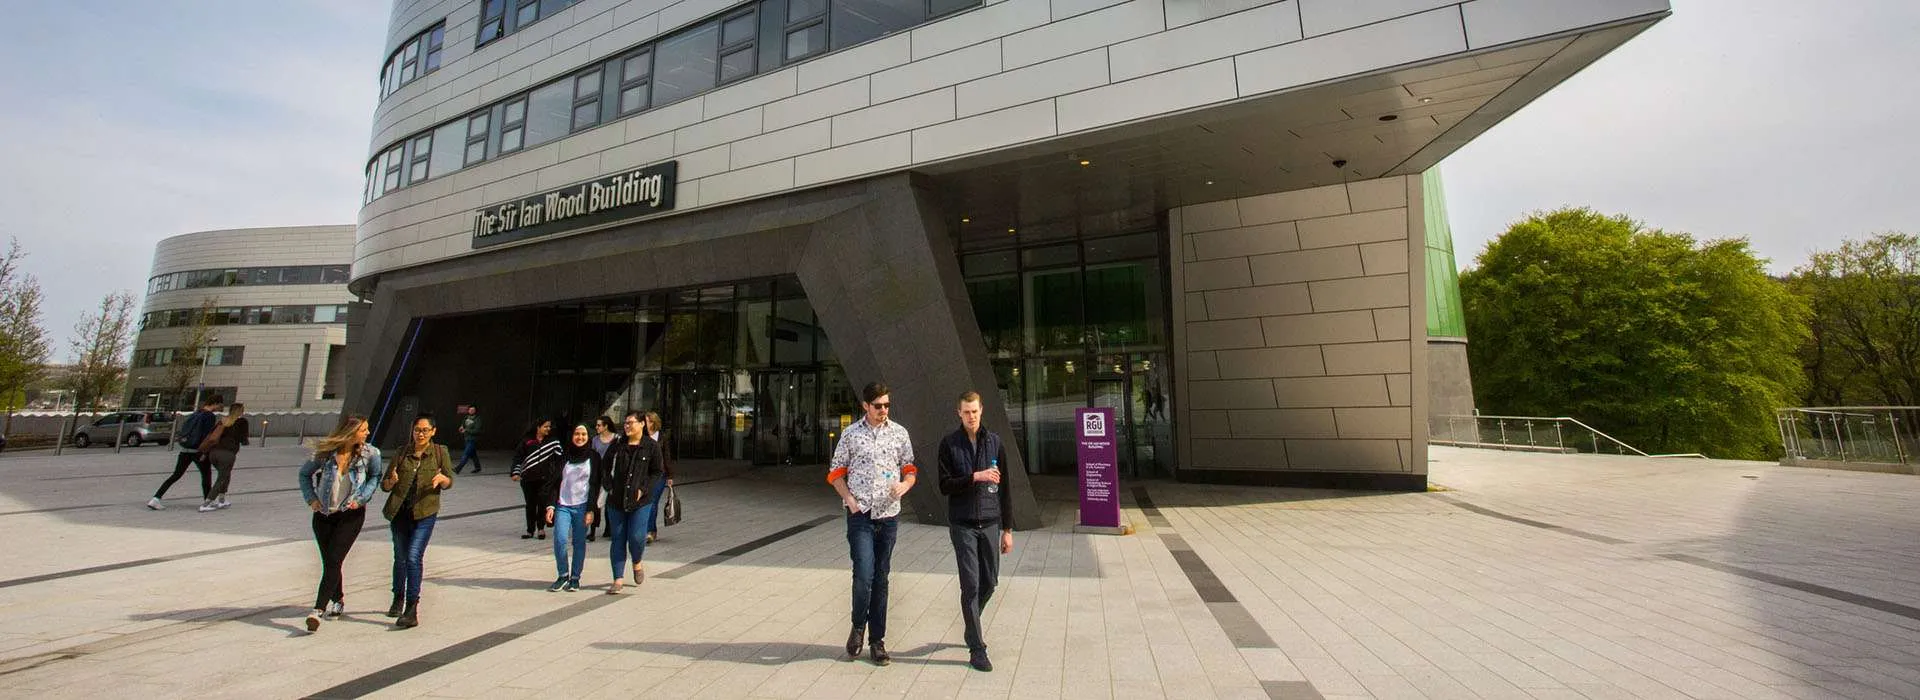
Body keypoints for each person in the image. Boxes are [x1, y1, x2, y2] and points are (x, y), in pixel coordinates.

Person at [828, 382, 917, 666]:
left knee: (881, 577)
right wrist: (849, 500)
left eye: (886, 405)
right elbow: (835, 472)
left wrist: (905, 485)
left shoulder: (899, 433)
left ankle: (877, 640)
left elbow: (910, 468)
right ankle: (857, 626)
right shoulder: (851, 435)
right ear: (865, 406)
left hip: (888, 516)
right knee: (864, 574)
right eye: (877, 406)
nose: (883, 410)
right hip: (861, 515)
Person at [936, 391, 1016, 672]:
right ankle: (977, 648)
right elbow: (944, 485)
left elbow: (1005, 490)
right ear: (959, 413)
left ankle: (972, 626)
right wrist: (975, 477)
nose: (971, 417)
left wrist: (1007, 529)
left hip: (991, 523)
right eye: (966, 412)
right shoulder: (949, 444)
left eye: (975, 411)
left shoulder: (994, 443)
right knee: (970, 584)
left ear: (982, 410)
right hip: (963, 524)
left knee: (990, 582)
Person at [297, 415, 382, 633]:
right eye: (363, 429)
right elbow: (304, 474)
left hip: (350, 515)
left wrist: (362, 498)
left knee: (334, 559)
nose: (367, 433)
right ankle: (338, 599)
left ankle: (317, 610)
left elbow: (375, 477)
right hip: (324, 515)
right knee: (331, 562)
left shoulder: (370, 454)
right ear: (351, 432)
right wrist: (311, 499)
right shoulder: (326, 454)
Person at [381, 414, 453, 629]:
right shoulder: (402, 452)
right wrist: (391, 481)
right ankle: (398, 597)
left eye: (424, 430)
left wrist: (443, 480)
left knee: (413, 557)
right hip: (400, 513)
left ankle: (412, 608)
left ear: (433, 431)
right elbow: (385, 484)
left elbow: (449, 480)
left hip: (424, 513)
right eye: (417, 430)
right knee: (400, 557)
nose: (420, 434)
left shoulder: (440, 453)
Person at [603, 410, 664, 594]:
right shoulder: (617, 445)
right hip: (617, 500)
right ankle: (618, 579)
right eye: (626, 423)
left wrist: (644, 489)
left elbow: (657, 471)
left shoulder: (651, 446)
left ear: (642, 424)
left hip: (640, 501)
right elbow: (604, 467)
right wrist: (608, 486)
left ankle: (637, 561)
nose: (627, 426)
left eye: (631, 422)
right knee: (618, 539)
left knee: (636, 538)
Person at [543, 424, 603, 592]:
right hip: (563, 505)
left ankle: (575, 577)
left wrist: (591, 510)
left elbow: (595, 484)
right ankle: (563, 574)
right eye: (577, 433)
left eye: (583, 434)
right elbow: (554, 482)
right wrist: (550, 506)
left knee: (579, 542)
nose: (580, 437)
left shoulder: (594, 457)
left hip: (582, 506)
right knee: (560, 539)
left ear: (588, 437)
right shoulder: (564, 456)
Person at [148, 397, 221, 510]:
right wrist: (205, 451)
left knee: (176, 475)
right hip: (198, 450)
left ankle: (156, 498)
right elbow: (206, 435)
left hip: (185, 449)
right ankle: (208, 501)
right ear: (215, 403)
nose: (219, 408)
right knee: (206, 475)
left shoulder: (196, 413)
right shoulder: (209, 416)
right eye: (219, 405)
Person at [512, 419, 562, 540]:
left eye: (549, 427)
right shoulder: (527, 441)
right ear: (538, 427)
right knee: (530, 505)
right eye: (545, 427)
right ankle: (530, 530)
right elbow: (518, 457)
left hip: (545, 480)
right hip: (528, 479)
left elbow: (560, 460)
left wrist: (557, 475)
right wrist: (516, 472)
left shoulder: (553, 442)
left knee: (542, 504)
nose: (548, 429)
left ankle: (541, 529)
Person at [199, 402, 251, 512]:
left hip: (213, 453)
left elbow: (212, 437)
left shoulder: (222, 421)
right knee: (222, 478)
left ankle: (222, 500)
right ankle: (207, 502)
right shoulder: (242, 422)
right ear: (241, 411)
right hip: (227, 454)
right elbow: (243, 439)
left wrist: (205, 453)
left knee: (225, 475)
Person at [643, 411, 675, 543]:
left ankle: (650, 531)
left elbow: (667, 456)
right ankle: (646, 529)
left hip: (659, 474)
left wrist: (670, 475)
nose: (644, 423)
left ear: (653, 422)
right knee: (644, 502)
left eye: (647, 421)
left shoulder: (662, 437)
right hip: (644, 473)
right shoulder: (641, 436)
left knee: (652, 501)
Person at [589, 416, 620, 541]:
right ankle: (593, 529)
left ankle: (609, 528)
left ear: (606, 426)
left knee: (609, 502)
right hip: (597, 472)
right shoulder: (595, 440)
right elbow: (592, 455)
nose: (597, 427)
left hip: (610, 473)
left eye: (599, 425)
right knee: (596, 501)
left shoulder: (616, 439)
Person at [454, 406, 483, 474]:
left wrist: (466, 430)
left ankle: (458, 468)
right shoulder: (466, 417)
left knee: (466, 454)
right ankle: (478, 467)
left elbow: (477, 430)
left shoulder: (477, 419)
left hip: (473, 439)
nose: (471, 411)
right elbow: (463, 425)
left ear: (475, 411)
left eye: (473, 410)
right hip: (466, 439)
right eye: (470, 410)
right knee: (473, 454)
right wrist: (461, 427)